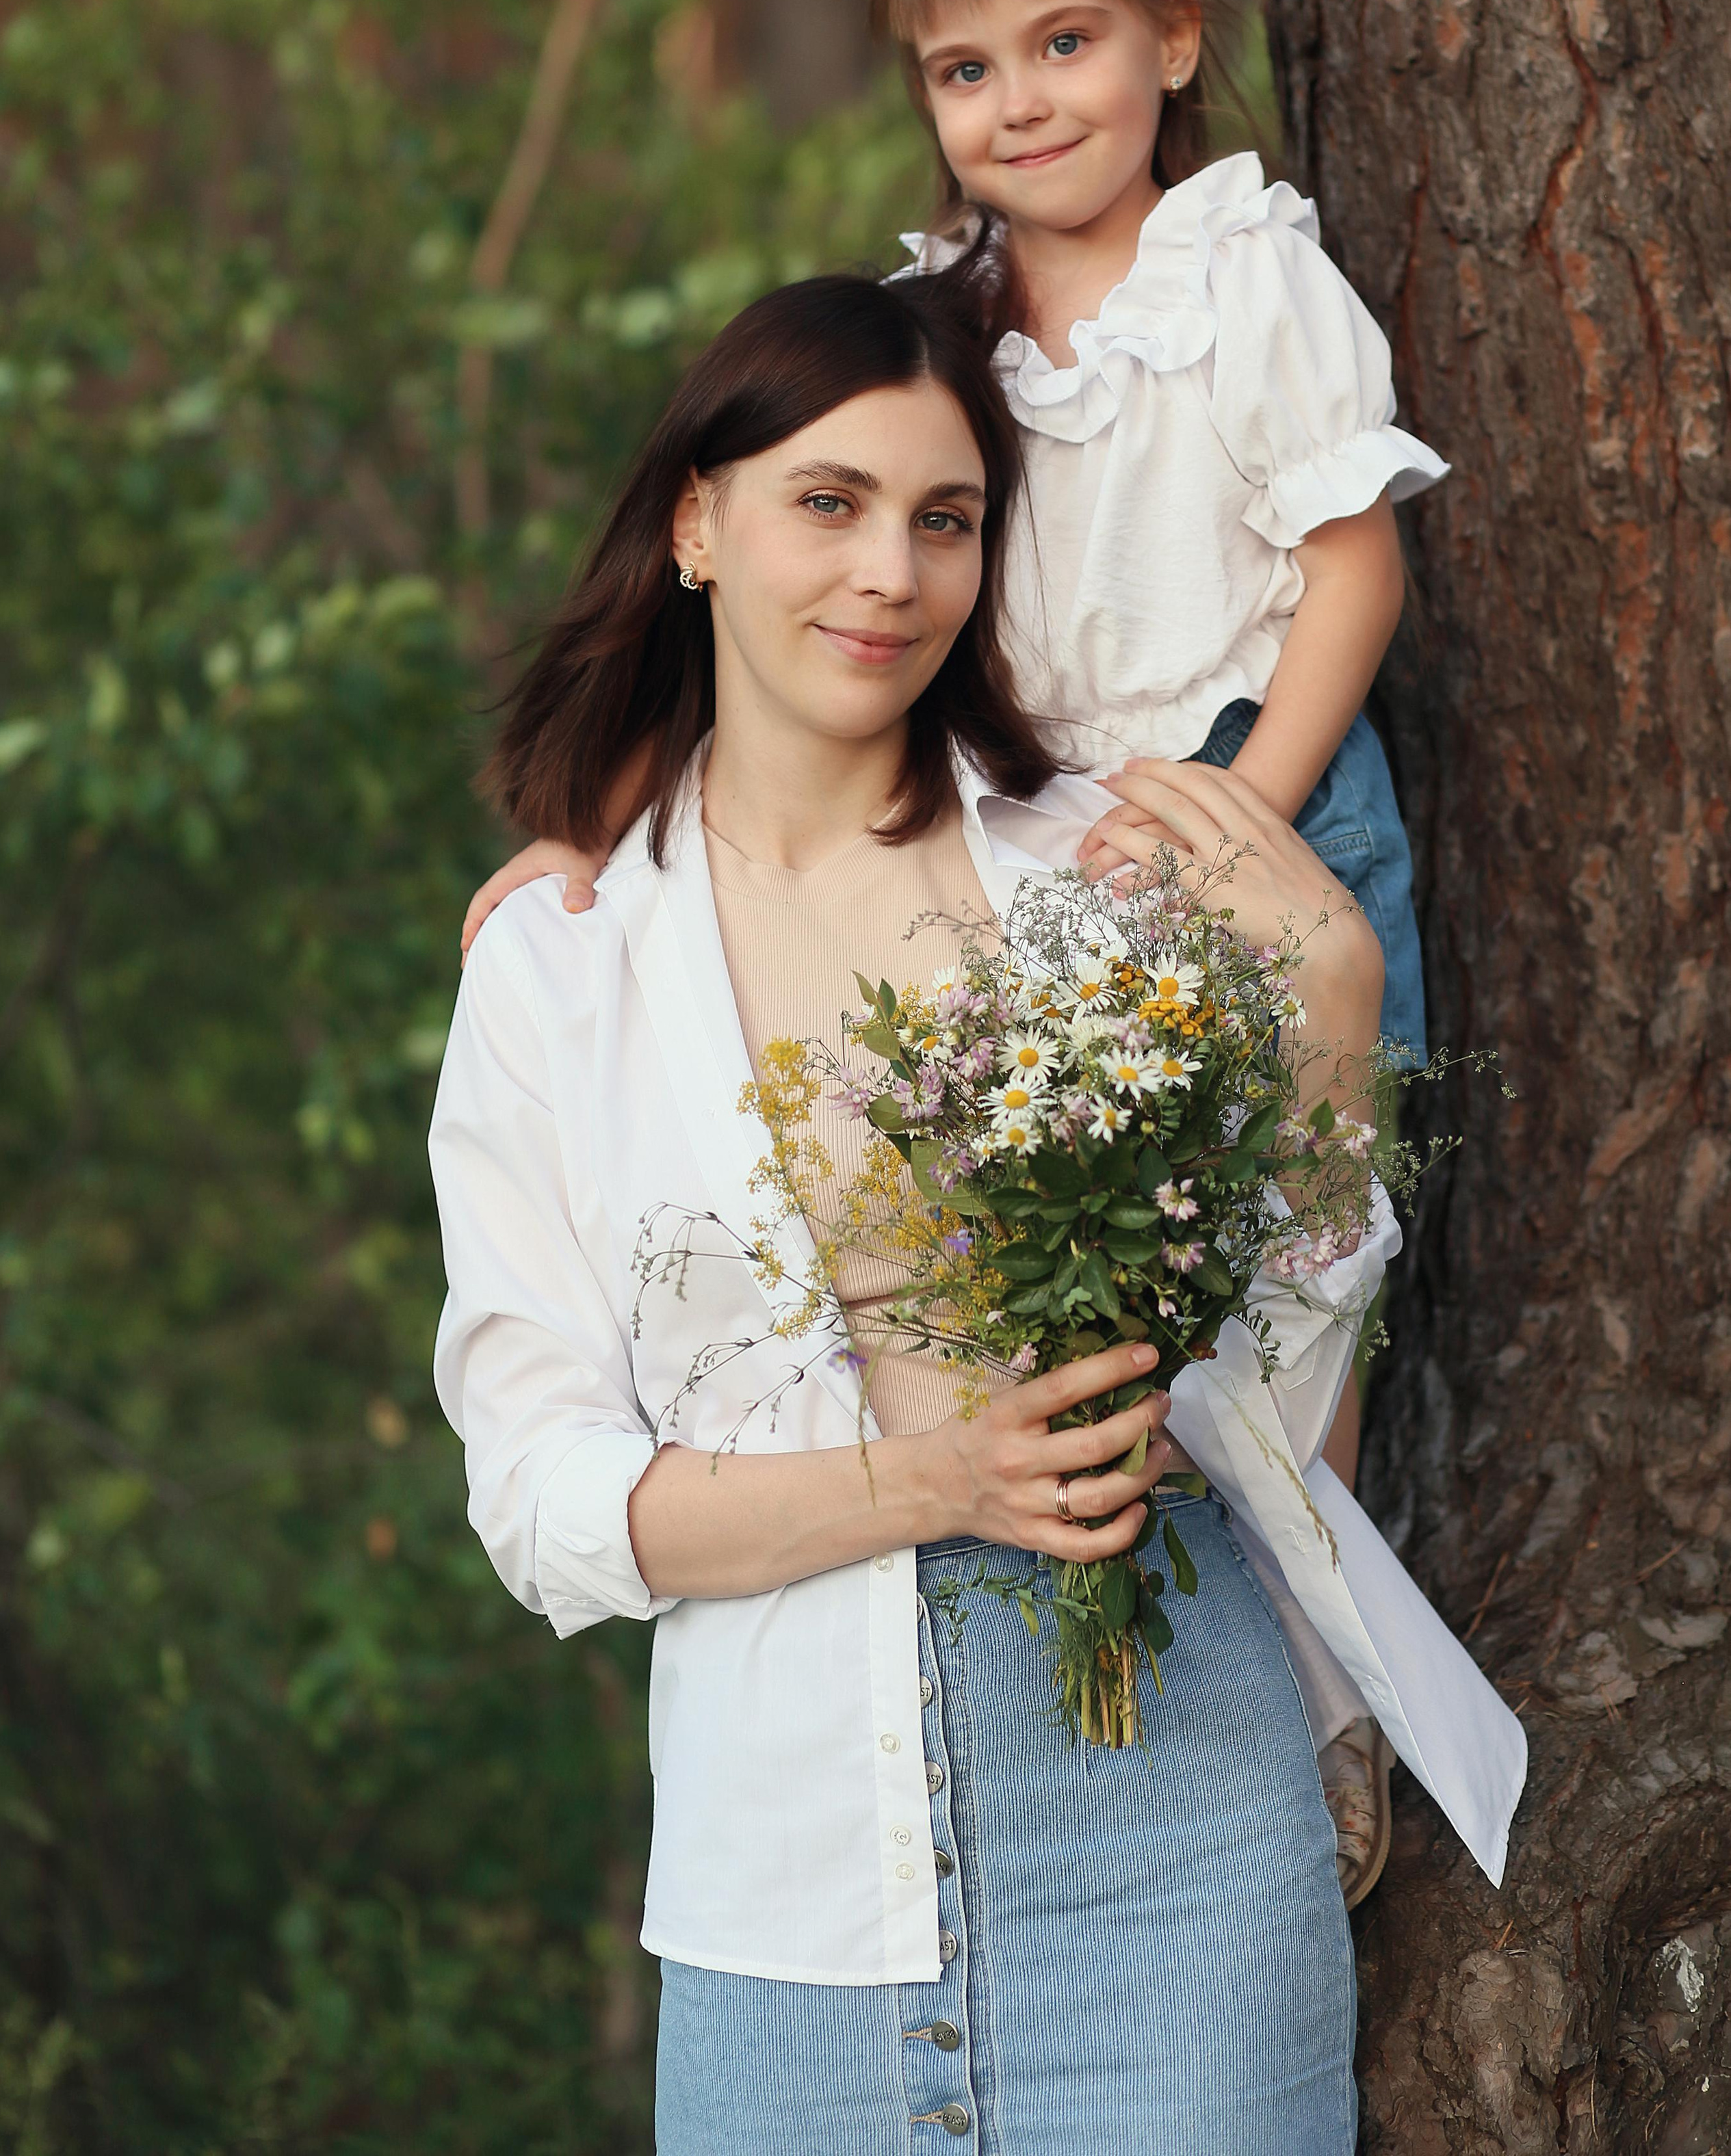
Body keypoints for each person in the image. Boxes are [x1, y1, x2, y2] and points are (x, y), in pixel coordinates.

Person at [429, 272, 1525, 2154]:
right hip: (787, 1909)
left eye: (946, 520)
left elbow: (1262, 1407)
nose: (891, 573)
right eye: (829, 503)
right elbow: (539, 1506)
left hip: (1175, 1841)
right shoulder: (565, 964)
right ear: (698, 522)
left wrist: (1336, 1031)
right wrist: (939, 1483)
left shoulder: (1095, 875)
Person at [456, 0, 1450, 1891]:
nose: (1022, 104)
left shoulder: (1244, 269)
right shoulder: (942, 314)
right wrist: (594, 833)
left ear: (1177, 42)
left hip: (1253, 776)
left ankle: (1323, 1681)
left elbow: (1352, 563)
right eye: (965, 70)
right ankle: (1062, 1676)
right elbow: (798, 598)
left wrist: (1255, 805)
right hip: (1051, 804)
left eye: (1070, 43)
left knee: (1303, 1257)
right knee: (1070, 1263)